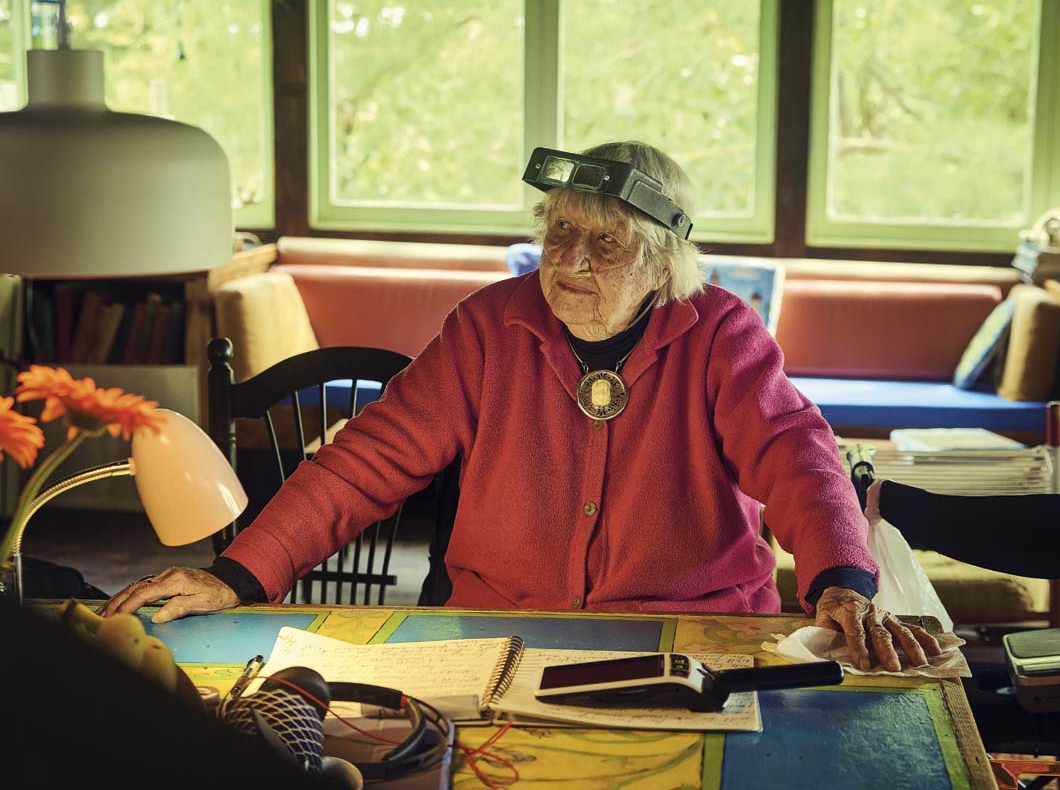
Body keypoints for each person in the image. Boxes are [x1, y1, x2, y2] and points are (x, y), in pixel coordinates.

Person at [103, 141, 940, 672]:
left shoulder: (720, 330)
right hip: (497, 636)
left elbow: (798, 455)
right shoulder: (487, 327)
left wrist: (840, 581)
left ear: (661, 263)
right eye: (558, 235)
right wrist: (235, 575)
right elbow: (364, 465)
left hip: (694, 636)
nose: (570, 261)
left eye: (605, 242)